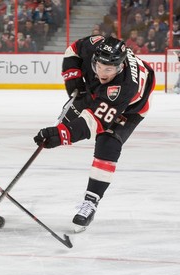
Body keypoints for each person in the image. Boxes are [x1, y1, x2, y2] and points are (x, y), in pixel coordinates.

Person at [34, 35, 155, 232]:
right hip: (99, 94)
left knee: (108, 143)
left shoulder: (123, 88)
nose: (102, 72)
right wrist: (74, 83)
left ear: (120, 66)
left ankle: (91, 202)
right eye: (99, 66)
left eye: (109, 69)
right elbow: (73, 50)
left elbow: (93, 124)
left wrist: (61, 136)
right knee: (67, 122)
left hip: (130, 109)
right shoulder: (95, 46)